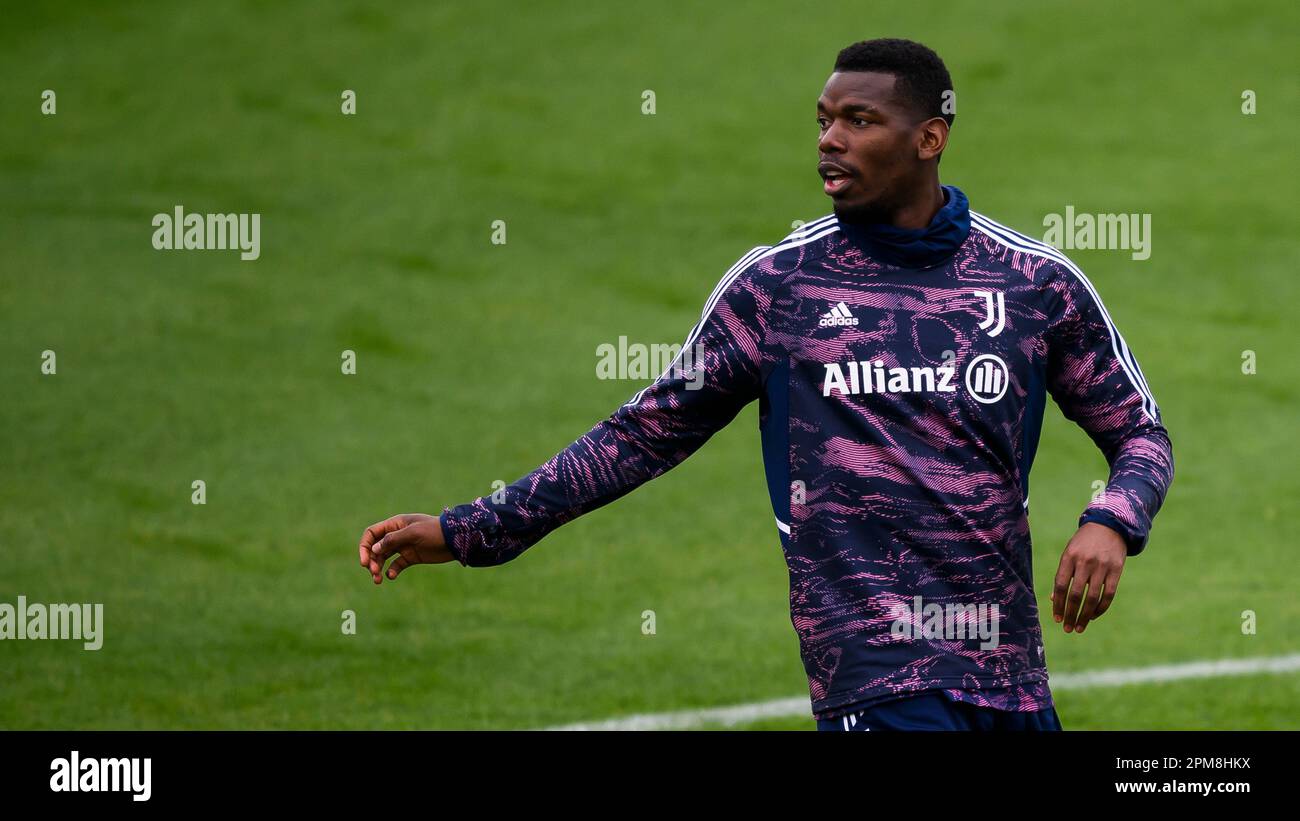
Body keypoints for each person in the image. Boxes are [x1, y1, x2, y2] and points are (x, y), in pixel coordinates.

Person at [358, 38, 1174, 731]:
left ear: (929, 138)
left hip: (1007, 669)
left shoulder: (1032, 282)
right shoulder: (778, 288)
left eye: (860, 121)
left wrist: (1113, 518)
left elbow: (1139, 431)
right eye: (824, 120)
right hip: (872, 667)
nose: (830, 139)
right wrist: (472, 530)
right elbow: (641, 433)